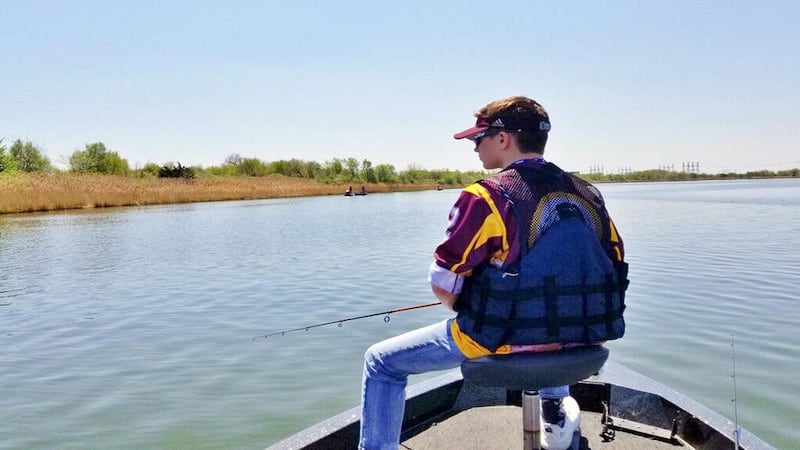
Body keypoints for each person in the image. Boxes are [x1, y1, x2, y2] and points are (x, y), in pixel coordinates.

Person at [359, 96, 627, 450]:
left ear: (503, 139)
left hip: (499, 341)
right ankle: (555, 413)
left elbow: (443, 282)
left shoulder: (485, 196)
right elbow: (614, 262)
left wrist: (479, 303)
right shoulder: (588, 194)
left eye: (478, 138)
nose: (474, 148)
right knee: (550, 320)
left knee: (380, 363)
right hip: (586, 340)